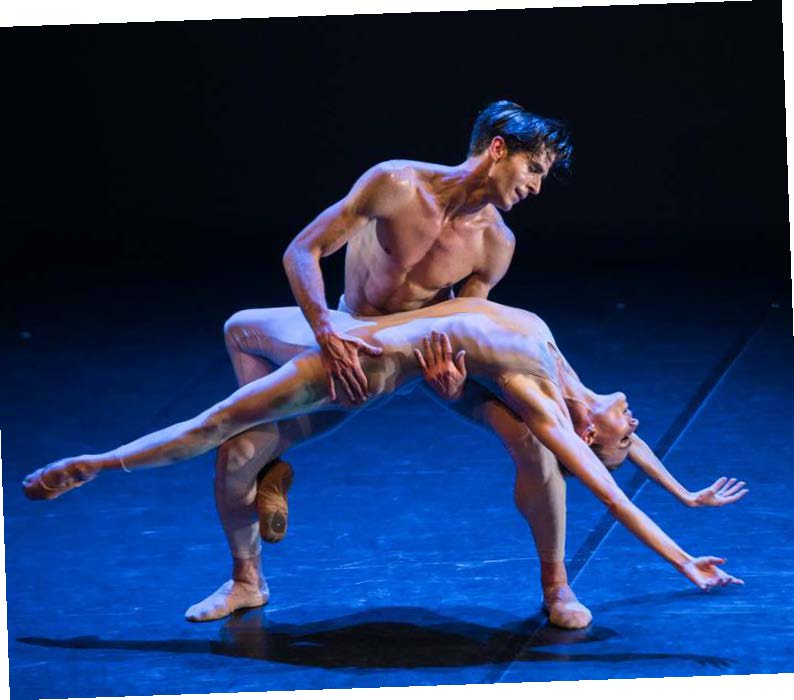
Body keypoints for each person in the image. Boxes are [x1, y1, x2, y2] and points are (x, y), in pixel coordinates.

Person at [23, 298, 748, 618]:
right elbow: (631, 453)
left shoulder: (547, 405)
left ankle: (98, 463)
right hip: (351, 324)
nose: (638, 420)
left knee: (215, 424)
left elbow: (612, 495)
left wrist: (683, 559)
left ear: (591, 437)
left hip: (367, 363)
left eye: (625, 433)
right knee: (240, 328)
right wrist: (683, 492)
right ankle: (273, 459)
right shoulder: (564, 368)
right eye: (633, 430)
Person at [204, 99, 592, 627]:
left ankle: (557, 587)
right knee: (235, 438)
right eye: (534, 169)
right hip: (349, 340)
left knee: (533, 441)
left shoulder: (497, 242)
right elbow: (303, 250)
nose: (536, 187)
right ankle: (248, 580)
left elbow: (469, 321)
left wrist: (454, 383)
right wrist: (325, 329)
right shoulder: (397, 183)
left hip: (422, 353)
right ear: (498, 149)